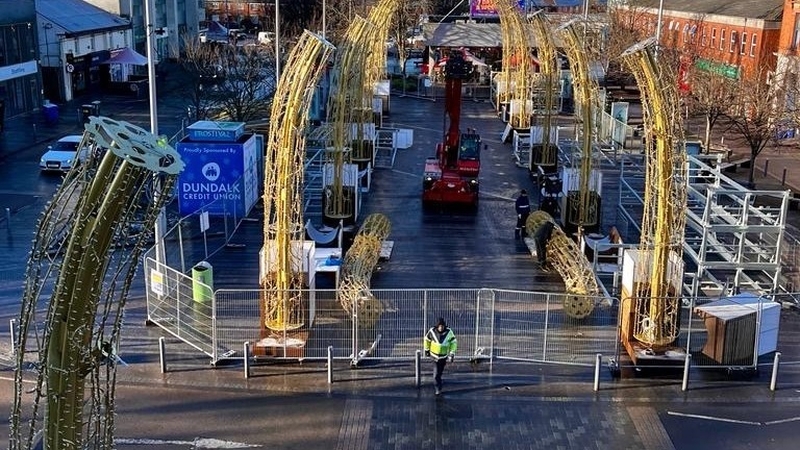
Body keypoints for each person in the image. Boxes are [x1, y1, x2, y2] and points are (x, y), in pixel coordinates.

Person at [423, 317, 457, 395]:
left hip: (443, 357)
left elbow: (453, 343)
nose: (441, 328)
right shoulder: (432, 331)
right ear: (437, 326)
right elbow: (426, 340)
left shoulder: (449, 332)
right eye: (439, 326)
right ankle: (438, 388)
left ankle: (439, 380)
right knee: (436, 374)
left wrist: (452, 353)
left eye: (442, 326)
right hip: (434, 357)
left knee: (439, 372)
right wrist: (426, 350)